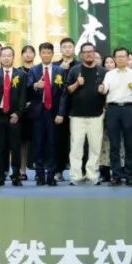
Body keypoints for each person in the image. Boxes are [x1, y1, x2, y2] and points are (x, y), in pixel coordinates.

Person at [60, 43, 106, 185]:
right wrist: (77, 84)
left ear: (94, 53)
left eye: (91, 51)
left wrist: (103, 90)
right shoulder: (75, 70)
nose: (88, 54)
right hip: (77, 116)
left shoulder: (103, 71)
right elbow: (68, 90)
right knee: (76, 147)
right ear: (81, 55)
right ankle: (75, 176)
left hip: (97, 115)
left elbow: (108, 92)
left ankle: (92, 175)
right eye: (85, 52)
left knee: (95, 147)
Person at [99, 48, 132, 186]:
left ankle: (129, 175)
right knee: (114, 144)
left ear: (127, 58)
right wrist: (101, 88)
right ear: (114, 58)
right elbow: (104, 89)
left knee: (130, 144)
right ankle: (116, 175)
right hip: (112, 109)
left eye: (123, 56)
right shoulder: (109, 74)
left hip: (129, 109)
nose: (120, 59)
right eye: (117, 56)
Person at [0, 46, 26, 186]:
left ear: (13, 57)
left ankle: (15, 175)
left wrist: (18, 113)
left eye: (9, 55)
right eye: (3, 55)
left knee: (15, 147)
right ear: (0, 57)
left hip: (13, 115)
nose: (6, 58)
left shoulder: (20, 74)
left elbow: (23, 96)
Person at [26, 42, 64, 186]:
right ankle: (39, 174)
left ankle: (51, 175)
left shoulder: (59, 70)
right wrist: (36, 85)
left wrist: (61, 113)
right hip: (38, 112)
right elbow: (28, 88)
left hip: (53, 112)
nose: (46, 55)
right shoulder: (34, 70)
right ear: (40, 54)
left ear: (52, 54)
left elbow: (63, 94)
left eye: (49, 52)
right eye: (44, 52)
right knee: (38, 143)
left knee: (53, 143)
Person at [55, 37, 77, 180]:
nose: (67, 49)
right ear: (61, 49)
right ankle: (59, 170)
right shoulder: (55, 66)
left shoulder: (80, 65)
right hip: (60, 109)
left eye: (70, 47)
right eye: (64, 47)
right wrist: (60, 70)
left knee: (77, 141)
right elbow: (54, 88)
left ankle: (78, 171)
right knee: (60, 140)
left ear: (74, 49)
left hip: (77, 108)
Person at [18, 45, 37, 177]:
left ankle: (39, 171)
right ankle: (22, 169)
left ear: (34, 55)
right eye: (25, 52)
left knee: (38, 140)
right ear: (22, 55)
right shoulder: (17, 71)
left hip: (37, 109)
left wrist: (33, 102)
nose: (28, 54)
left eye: (30, 52)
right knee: (22, 141)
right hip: (22, 111)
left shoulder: (39, 70)